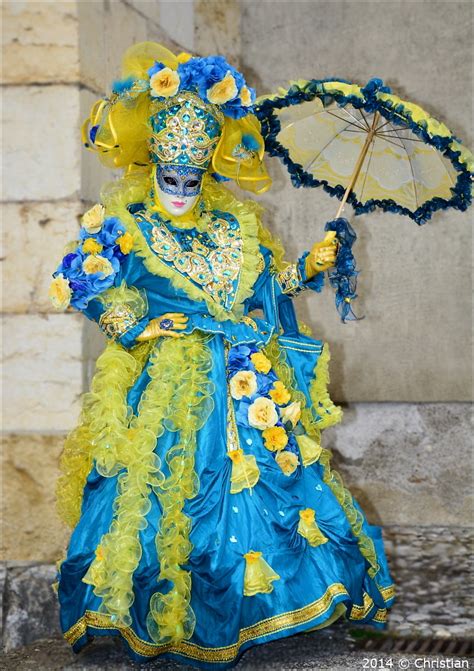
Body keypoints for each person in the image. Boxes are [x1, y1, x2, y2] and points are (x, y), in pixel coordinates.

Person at [49, 42, 395, 669]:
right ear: (152, 161)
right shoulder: (124, 224)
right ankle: (172, 617)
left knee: (275, 491)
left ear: (206, 169)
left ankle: (269, 607)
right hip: (170, 391)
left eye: (191, 176)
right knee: (171, 495)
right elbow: (83, 277)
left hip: (244, 379)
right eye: (168, 175)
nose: (179, 188)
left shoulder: (234, 226)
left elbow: (262, 296)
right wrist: (140, 326)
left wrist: (305, 271)